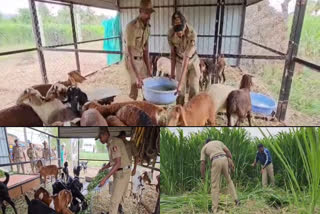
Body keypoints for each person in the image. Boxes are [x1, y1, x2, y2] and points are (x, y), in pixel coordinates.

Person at [96, 128, 136, 214]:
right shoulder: (111, 143)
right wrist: (104, 168)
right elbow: (112, 161)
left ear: (106, 134)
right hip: (121, 172)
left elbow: (118, 163)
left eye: (100, 137)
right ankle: (115, 211)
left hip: (122, 173)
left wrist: (105, 179)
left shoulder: (114, 143)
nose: (100, 140)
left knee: (114, 200)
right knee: (117, 196)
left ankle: (113, 211)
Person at [168, 11, 201, 105]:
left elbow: (186, 60)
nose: (179, 34)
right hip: (179, 61)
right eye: (177, 32)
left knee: (194, 88)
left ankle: (192, 112)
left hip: (192, 60)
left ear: (185, 24)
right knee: (180, 91)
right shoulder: (170, 34)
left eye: (181, 31)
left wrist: (181, 82)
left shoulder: (192, 33)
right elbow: (173, 53)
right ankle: (179, 111)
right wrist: (171, 73)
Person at [124, 0, 155, 100]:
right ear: (140, 11)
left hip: (142, 61)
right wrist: (137, 76)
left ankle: (145, 110)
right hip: (132, 60)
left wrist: (149, 69)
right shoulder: (131, 27)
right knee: (134, 90)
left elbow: (146, 50)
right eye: (146, 13)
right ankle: (131, 112)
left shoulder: (147, 27)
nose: (149, 16)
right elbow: (130, 52)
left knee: (147, 88)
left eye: (150, 13)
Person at [200, 139, 239, 213]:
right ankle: (236, 200)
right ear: (211, 141)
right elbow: (228, 151)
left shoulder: (204, 147)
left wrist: (203, 176)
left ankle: (214, 209)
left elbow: (202, 163)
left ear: (206, 143)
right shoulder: (218, 142)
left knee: (215, 186)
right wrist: (231, 161)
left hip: (215, 160)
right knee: (229, 181)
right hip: (224, 159)